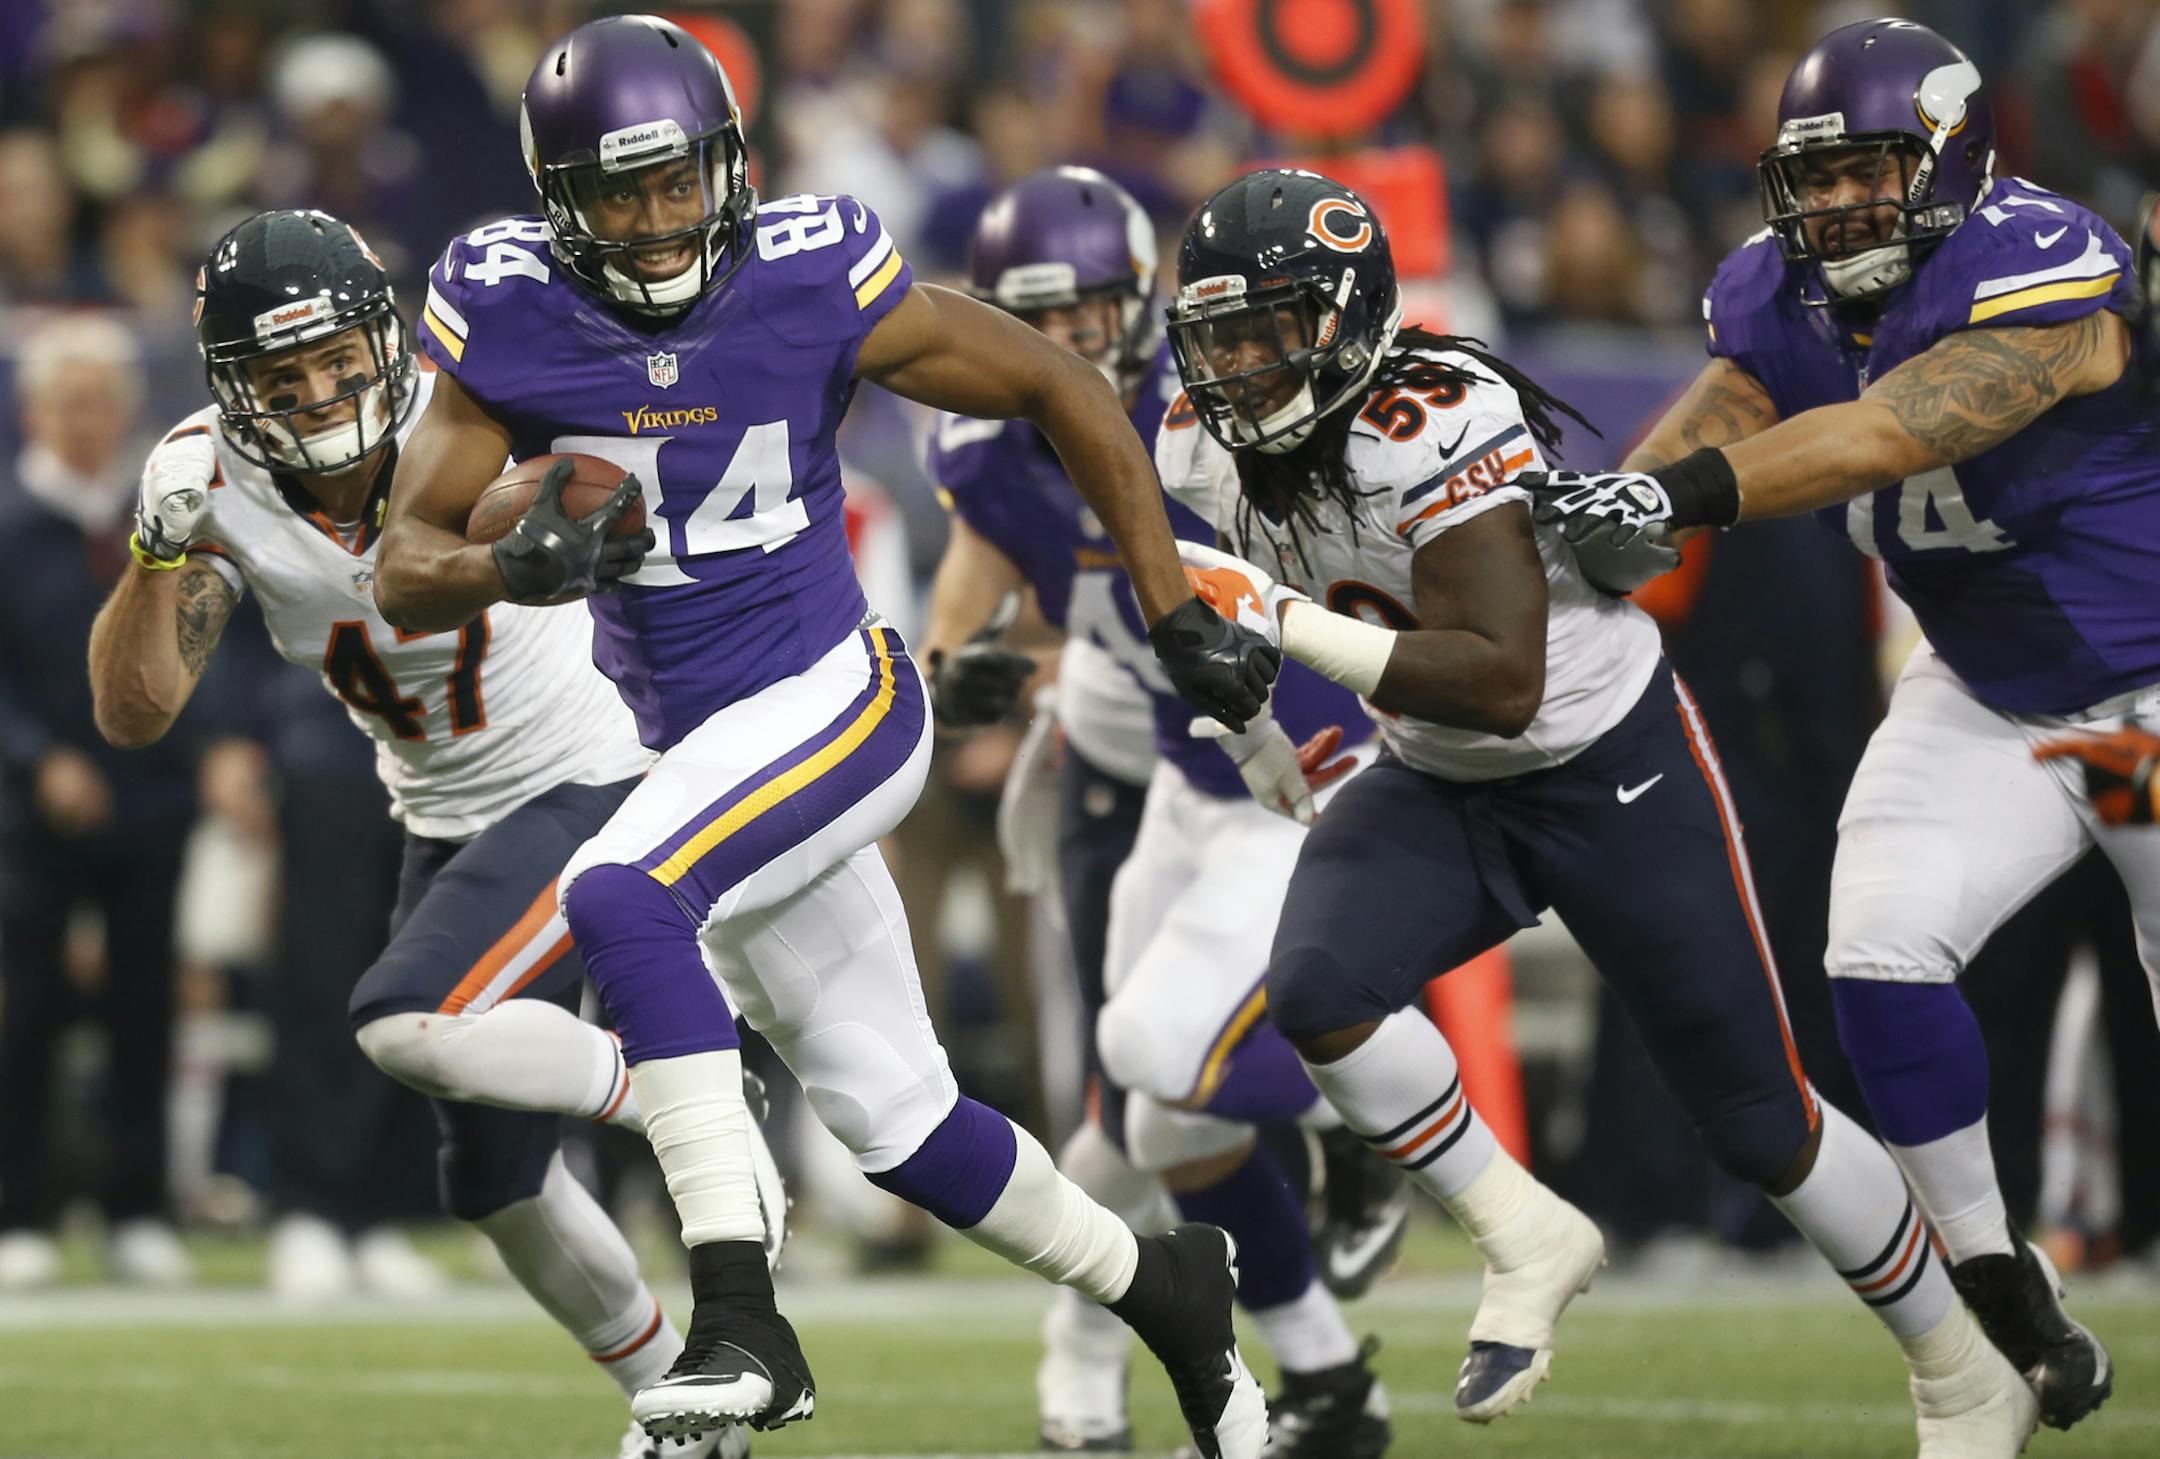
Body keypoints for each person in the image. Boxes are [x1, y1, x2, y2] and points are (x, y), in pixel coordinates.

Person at [367, 17, 1277, 1456]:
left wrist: (1168, 607)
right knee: (900, 1123)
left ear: (728, 167)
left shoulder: (807, 271)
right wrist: (512, 566)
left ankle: (738, 1313)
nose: (660, 223)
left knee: (619, 891)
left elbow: (1066, 382)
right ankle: (1169, 1287)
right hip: (705, 757)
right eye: (621, 194)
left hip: (841, 695)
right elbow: (404, 555)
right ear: (561, 203)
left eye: (679, 183)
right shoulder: (508, 308)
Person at [1158, 165, 2038, 1459]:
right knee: (1320, 986)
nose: (1237, 361)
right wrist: (1255, 728)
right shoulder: (1197, 435)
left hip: (1601, 758)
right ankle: (1527, 1232)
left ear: (1349, 319)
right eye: (1220, 330)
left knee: (1760, 1120)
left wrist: (1283, 626)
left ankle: (1961, 1367)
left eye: (1269, 326)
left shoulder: (1435, 414)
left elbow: (1505, 679)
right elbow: (1186, 585)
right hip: (1439, 775)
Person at [1524, 18, 2160, 1434]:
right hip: (1989, 685)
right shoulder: (1775, 295)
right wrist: (1580, 529)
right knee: (1874, 945)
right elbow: (1721, 416)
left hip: (2151, 684)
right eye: (1811, 180)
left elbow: (1893, 432)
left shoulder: (2038, 260)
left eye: (1867, 172)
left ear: (1949, 159)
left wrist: (1681, 500)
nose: (1831, 207)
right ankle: (1999, 1291)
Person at [84, 208, 779, 1459]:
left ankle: (697, 1096)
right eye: (281, 376)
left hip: (591, 773)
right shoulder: (217, 485)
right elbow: (135, 713)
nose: (320, 392)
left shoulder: (474, 420)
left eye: (339, 358)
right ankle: (682, 1408)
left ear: (384, 338)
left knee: (410, 1022)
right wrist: (151, 552)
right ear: (232, 388)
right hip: (442, 811)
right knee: (497, 1189)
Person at [923, 165, 1393, 1457]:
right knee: (1145, 1107)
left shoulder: (1208, 411)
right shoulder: (982, 434)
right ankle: (1326, 1384)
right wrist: (950, 648)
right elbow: (987, 539)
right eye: (1042, 313)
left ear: (1143, 301)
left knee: (1151, 1059)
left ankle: (1365, 1107)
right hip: (1142, 767)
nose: (1071, 338)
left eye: (1093, 309)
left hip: (1286, 763)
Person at [0, 315, 201, 1290]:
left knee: (144, 1009)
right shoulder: (9, 523)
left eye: (101, 401)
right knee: (26, 1011)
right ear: (34, 409)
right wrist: (37, 759)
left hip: (149, 799)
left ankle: (136, 1209)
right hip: (26, 818)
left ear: (126, 411)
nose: (85, 419)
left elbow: (207, 644)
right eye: (67, 400)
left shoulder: (154, 523)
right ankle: (20, 1211)